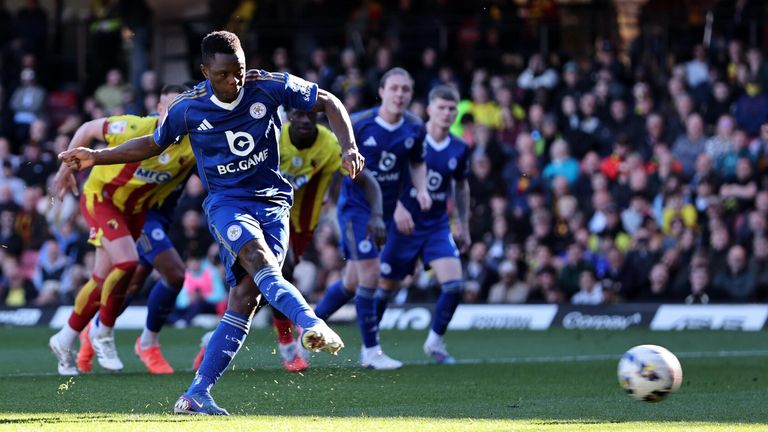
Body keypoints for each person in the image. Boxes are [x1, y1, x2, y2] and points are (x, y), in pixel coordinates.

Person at [59, 31, 364, 416]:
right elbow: (153, 144)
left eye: (238, 70)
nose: (233, 80)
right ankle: (310, 322)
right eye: (222, 74)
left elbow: (329, 101)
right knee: (261, 262)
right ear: (205, 71)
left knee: (246, 298)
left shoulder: (267, 85)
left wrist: (349, 146)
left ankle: (196, 394)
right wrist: (96, 157)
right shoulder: (189, 108)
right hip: (227, 204)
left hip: (274, 204)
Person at [191, 107, 385, 373]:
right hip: (263, 219)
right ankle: (288, 345)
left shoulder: (328, 145)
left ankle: (213, 339)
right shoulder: (272, 137)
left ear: (318, 117)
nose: (305, 119)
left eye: (311, 115)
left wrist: (376, 215)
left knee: (254, 294)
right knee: (282, 269)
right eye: (298, 114)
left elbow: (366, 180)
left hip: (301, 225)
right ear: (288, 116)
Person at [49, 85, 196, 376]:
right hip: (102, 197)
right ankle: (102, 332)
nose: (172, 114)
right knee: (128, 262)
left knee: (102, 278)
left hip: (137, 210)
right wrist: (65, 170)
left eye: (180, 108)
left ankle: (64, 339)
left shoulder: (193, 144)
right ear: (158, 107)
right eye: (168, 106)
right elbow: (89, 128)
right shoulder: (137, 126)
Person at [311, 67, 431, 370]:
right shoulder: (361, 125)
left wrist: (421, 190)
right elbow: (343, 161)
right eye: (394, 88)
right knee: (371, 272)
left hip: (387, 212)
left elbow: (417, 164)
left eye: (405, 89)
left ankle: (308, 326)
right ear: (381, 91)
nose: (400, 94)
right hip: (356, 209)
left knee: (351, 282)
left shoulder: (414, 128)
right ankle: (371, 352)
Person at [379, 85, 470, 364]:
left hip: (436, 226)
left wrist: (463, 224)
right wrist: (397, 209)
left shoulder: (459, 147)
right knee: (384, 289)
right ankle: (371, 346)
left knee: (454, 285)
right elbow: (389, 175)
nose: (447, 113)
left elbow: (461, 186)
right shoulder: (412, 139)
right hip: (404, 225)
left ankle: (435, 342)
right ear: (429, 110)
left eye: (451, 109)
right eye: (441, 108)